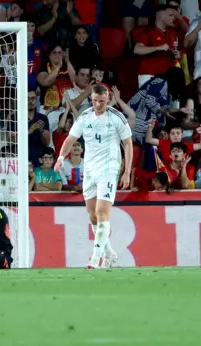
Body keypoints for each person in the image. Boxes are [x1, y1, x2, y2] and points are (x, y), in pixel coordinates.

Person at [54, 85, 133, 269]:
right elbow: (69, 140)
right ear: (91, 99)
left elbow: (128, 144)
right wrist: (60, 158)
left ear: (108, 98)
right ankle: (109, 253)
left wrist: (127, 171)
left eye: (102, 101)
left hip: (108, 169)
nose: (98, 104)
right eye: (96, 101)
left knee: (102, 213)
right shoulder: (85, 117)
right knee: (93, 217)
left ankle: (96, 258)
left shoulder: (116, 117)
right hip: (89, 171)